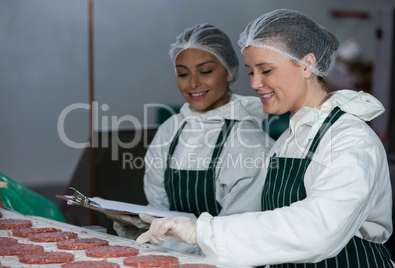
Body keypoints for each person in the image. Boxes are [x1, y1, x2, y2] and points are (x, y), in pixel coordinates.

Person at [136, 9, 394, 267]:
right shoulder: (288, 140)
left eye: (266, 70)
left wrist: (201, 232)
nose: (255, 83)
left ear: (307, 64)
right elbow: (268, 229)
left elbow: (318, 229)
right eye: (251, 72)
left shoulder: (350, 139)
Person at [107, 23, 274, 254]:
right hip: (168, 257)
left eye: (205, 71)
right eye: (183, 74)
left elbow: (239, 233)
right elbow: (159, 208)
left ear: (230, 71)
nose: (192, 83)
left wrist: (168, 242)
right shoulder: (170, 131)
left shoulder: (249, 141)